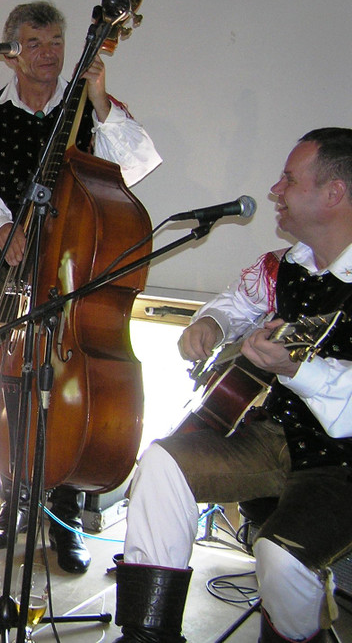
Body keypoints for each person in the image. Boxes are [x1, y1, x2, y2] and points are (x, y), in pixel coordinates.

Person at [0, 1, 161, 572]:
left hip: (74, 270)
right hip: (5, 266)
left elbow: (136, 166)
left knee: (69, 390)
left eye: (57, 43)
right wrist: (2, 228)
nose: (49, 54)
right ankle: (14, 495)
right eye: (36, 44)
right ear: (11, 53)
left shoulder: (91, 109)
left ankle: (65, 512)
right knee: (11, 380)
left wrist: (99, 98)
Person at [113, 128, 352, 642]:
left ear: (334, 193)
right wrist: (211, 323)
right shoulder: (285, 267)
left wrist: (297, 369)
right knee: (162, 464)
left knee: (281, 558)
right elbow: (236, 303)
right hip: (274, 438)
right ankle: (147, 634)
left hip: (342, 464)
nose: (275, 190)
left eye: (289, 179)